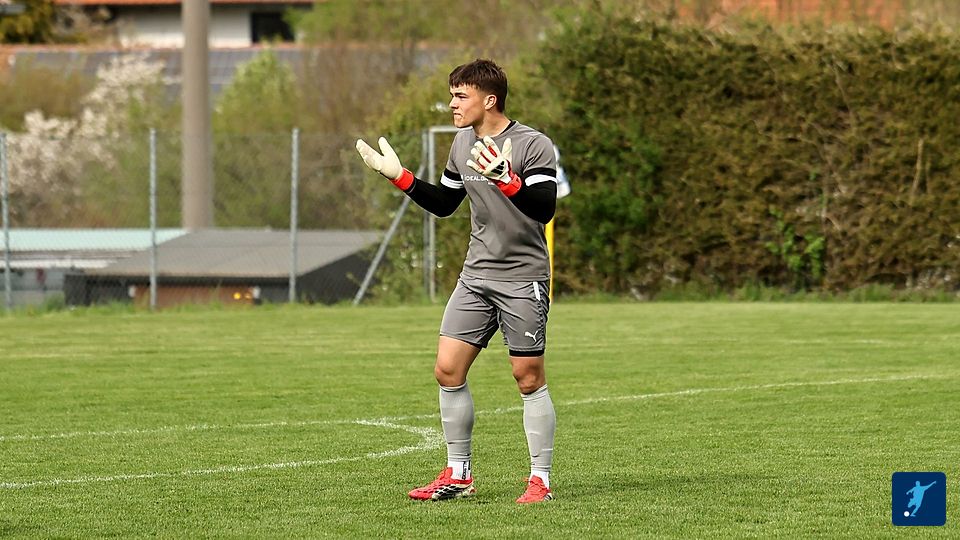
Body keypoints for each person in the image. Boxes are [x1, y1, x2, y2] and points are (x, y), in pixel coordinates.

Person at [356, 59, 558, 504]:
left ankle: (540, 480)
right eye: (452, 95)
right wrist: (399, 177)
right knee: (447, 370)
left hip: (522, 277)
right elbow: (447, 203)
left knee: (527, 377)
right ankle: (458, 474)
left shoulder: (533, 144)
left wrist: (508, 180)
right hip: (475, 275)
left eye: (461, 96)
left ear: (490, 100)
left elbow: (544, 207)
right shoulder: (462, 143)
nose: (452, 104)